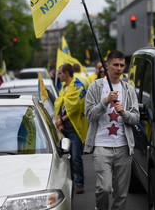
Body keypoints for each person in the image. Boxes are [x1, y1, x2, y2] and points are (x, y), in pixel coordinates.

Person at [84, 50, 140, 210]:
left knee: (121, 194)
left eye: (122, 65)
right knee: (104, 188)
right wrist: (105, 102)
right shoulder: (95, 87)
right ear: (107, 65)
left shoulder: (129, 89)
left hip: (124, 147)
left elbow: (135, 117)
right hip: (102, 146)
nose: (119, 68)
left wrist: (123, 112)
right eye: (115, 65)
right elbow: (89, 115)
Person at [54, 63, 88, 194]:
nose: (58, 75)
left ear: (67, 73)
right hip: (63, 128)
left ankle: (79, 184)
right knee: (65, 159)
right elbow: (60, 104)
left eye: (60, 73)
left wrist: (61, 119)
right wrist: (58, 119)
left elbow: (76, 107)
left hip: (74, 128)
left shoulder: (78, 87)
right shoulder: (63, 87)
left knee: (76, 157)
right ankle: (72, 182)